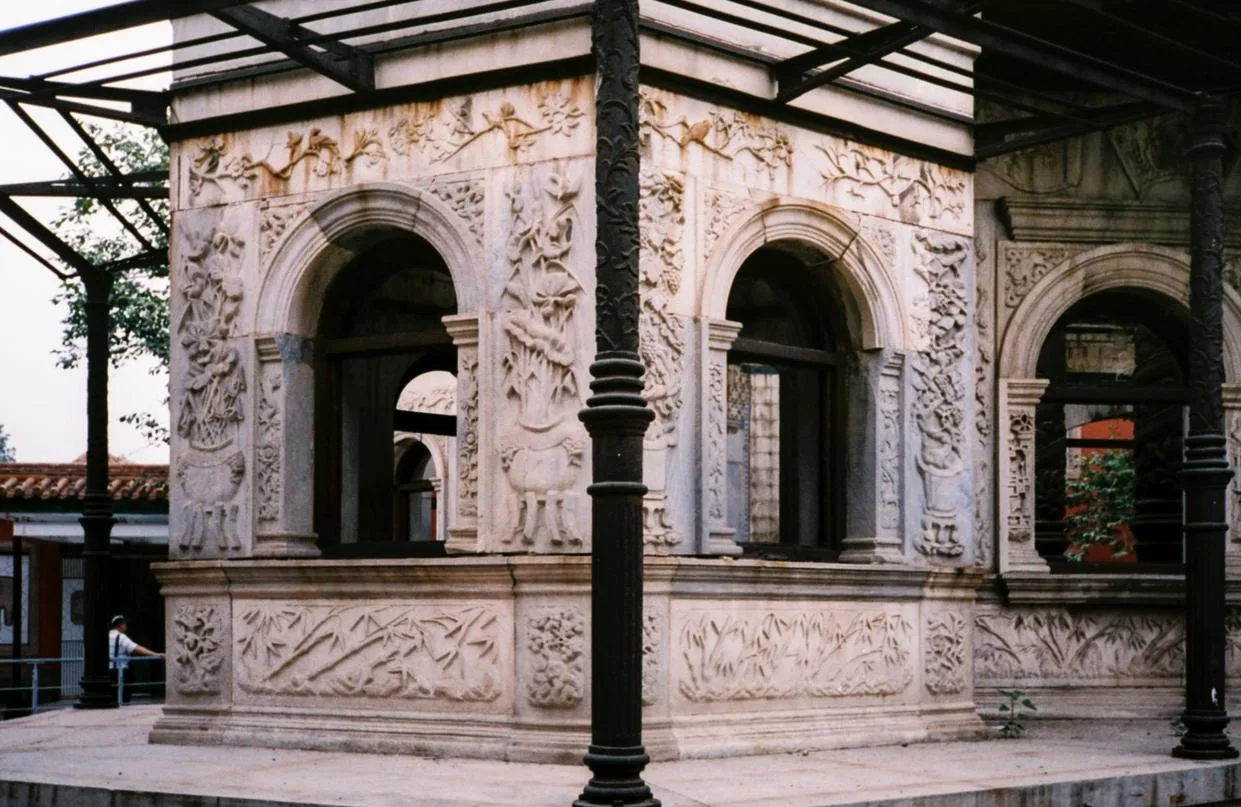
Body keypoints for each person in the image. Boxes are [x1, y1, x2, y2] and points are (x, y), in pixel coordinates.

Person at [109, 615, 163, 703]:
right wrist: (156, 654)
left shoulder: (107, 636)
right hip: (120, 671)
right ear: (121, 625)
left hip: (108, 671)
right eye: (125, 624)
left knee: (112, 696)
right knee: (123, 697)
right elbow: (137, 648)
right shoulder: (121, 637)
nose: (126, 626)